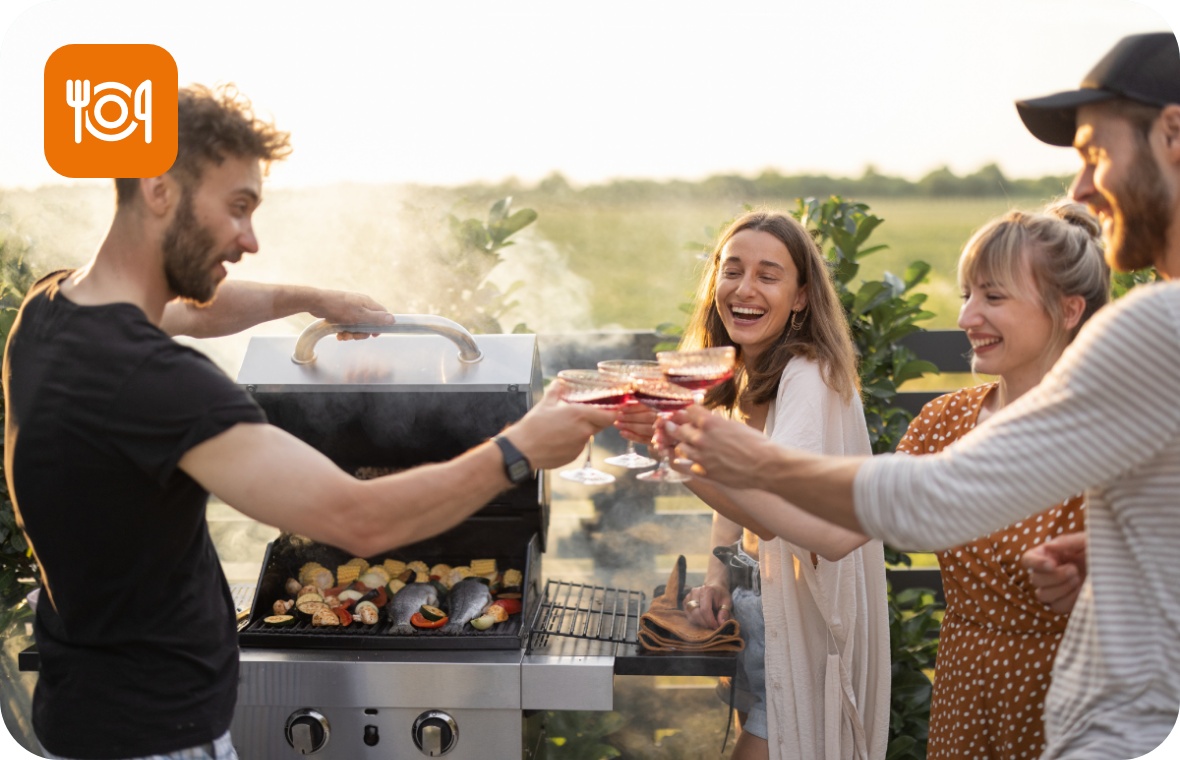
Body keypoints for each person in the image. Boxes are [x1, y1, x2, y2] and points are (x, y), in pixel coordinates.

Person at [3, 84, 616, 760]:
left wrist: (307, 299)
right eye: (237, 208)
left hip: (81, 710)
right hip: (156, 738)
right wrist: (519, 447)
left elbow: (194, 310)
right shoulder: (158, 384)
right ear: (159, 189)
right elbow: (357, 521)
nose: (251, 239)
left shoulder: (52, 312)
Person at [664, 31, 1180, 759]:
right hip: (981, 707)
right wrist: (1119, 554)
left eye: (1095, 152)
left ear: (1173, 133)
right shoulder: (952, 417)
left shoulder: (1155, 325)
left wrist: (743, 460)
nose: (1082, 189)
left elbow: (937, 496)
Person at [630, 210, 889, 760]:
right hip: (761, 612)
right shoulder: (745, 372)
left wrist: (676, 457)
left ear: (800, 296)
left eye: (769, 275)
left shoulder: (807, 373)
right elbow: (738, 495)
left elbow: (773, 507)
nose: (744, 289)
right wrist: (717, 577)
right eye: (732, 270)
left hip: (805, 627)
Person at [897, 201, 1107, 759]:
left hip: (1072, 700)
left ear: (1068, 310)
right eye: (967, 294)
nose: (966, 317)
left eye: (992, 297)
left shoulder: (1118, 434)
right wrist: (705, 461)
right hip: (965, 696)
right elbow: (836, 529)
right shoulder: (943, 421)